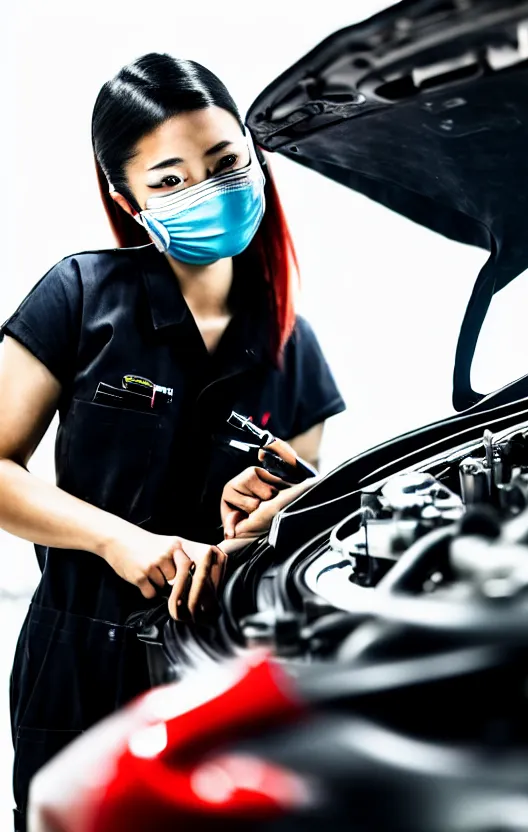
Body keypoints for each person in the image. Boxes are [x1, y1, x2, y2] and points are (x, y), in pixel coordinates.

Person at [0, 53, 345, 830]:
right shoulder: (80, 295)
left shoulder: (297, 349)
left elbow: (295, 531)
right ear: (127, 197)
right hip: (79, 654)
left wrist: (263, 521)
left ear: (256, 160)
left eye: (225, 163)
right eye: (170, 179)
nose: (209, 190)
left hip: (224, 667)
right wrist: (118, 541)